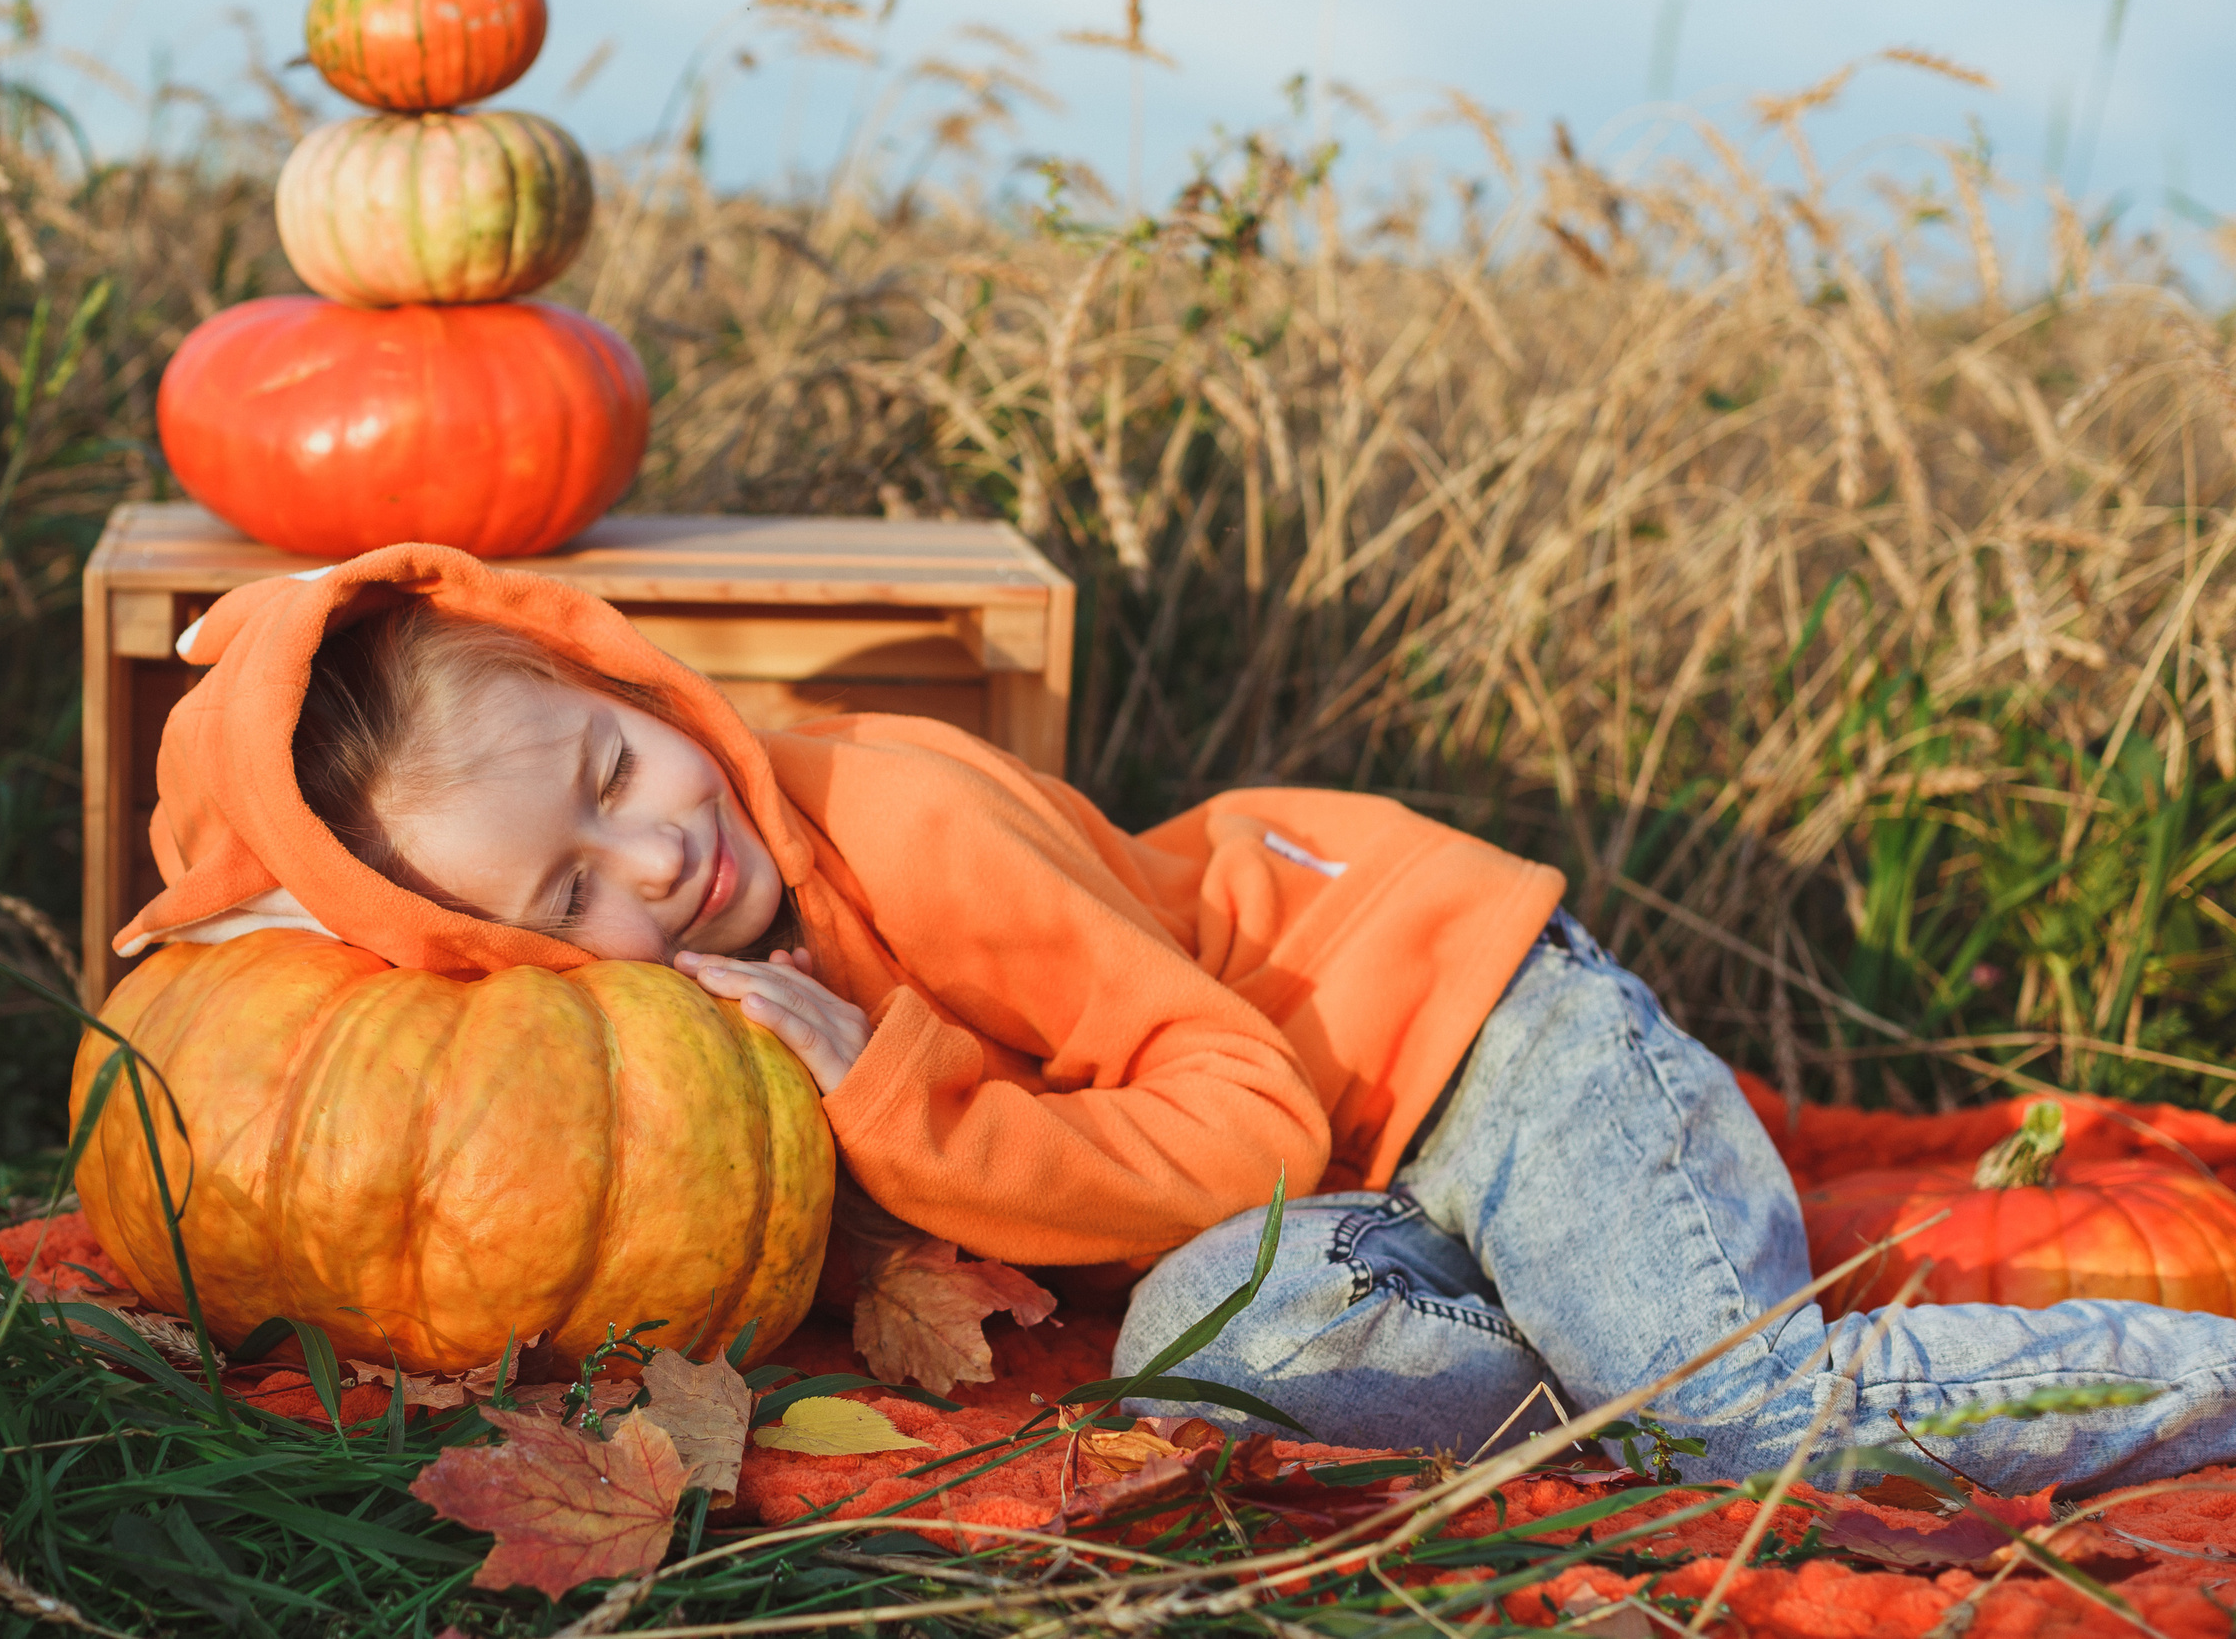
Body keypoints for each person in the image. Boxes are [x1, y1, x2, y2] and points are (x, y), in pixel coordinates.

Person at [119, 544, 2236, 1490]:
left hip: (1465, 1035)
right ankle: (1571, 1354)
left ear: (626, 681)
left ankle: (2190, 1384)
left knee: (1728, 1415)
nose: (651, 861)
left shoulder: (903, 814)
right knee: (1222, 1353)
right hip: (1348, 1188)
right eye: (562, 899)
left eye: (614, 772)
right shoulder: (688, 988)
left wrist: (895, 1094)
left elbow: (1237, 1114)